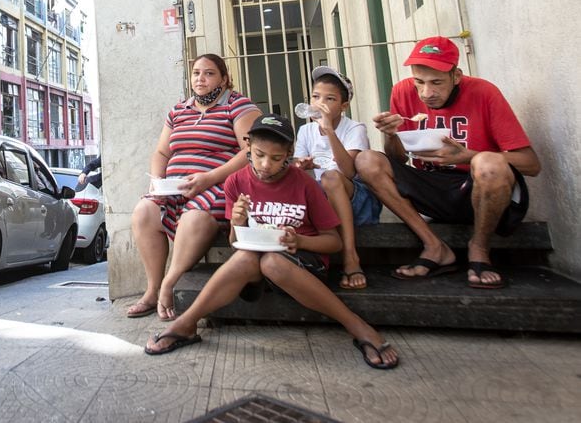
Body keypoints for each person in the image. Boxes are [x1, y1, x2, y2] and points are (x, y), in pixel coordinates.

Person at [143, 114, 399, 369]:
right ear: (248, 149)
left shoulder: (305, 184)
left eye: (276, 159)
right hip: (255, 267)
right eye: (259, 154)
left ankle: (358, 326)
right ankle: (187, 323)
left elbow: (333, 243)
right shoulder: (236, 181)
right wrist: (238, 221)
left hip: (302, 265)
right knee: (248, 257)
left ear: (289, 153)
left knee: (273, 263)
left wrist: (298, 240)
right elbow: (235, 241)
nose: (266, 165)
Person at [355, 36, 541, 289]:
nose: (426, 93)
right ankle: (434, 246)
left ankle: (479, 249)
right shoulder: (402, 91)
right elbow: (398, 159)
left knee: (488, 162)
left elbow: (531, 164)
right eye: (419, 81)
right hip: (430, 188)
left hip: (477, 188)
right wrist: (390, 135)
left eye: (436, 83)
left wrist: (469, 156)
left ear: (457, 76)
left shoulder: (484, 92)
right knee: (367, 160)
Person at [126, 53, 261, 321]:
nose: (201, 78)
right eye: (197, 72)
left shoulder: (237, 105)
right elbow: (162, 152)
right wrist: (157, 181)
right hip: (174, 188)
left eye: (209, 73)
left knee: (194, 217)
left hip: (217, 185)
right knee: (143, 211)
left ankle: (170, 284)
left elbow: (250, 151)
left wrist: (209, 178)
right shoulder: (179, 110)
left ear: (224, 78)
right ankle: (152, 290)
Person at [292, 66, 382, 290]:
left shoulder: (354, 129)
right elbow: (296, 168)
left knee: (331, 178)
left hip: (357, 202)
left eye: (329, 98)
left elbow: (349, 172)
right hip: (323, 202)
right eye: (315, 97)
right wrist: (302, 166)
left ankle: (350, 258)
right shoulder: (305, 132)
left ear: (343, 106)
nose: (320, 103)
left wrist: (329, 131)